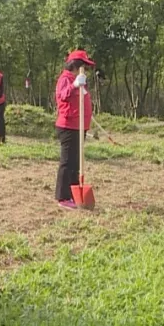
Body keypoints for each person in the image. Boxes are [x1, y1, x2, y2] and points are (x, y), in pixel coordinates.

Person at [55, 50, 94, 210]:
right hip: (68, 126)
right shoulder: (65, 79)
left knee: (76, 163)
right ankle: (62, 196)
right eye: (83, 66)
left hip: (80, 126)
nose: (84, 70)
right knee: (67, 162)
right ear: (76, 66)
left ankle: (73, 193)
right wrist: (74, 85)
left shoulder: (79, 80)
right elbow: (62, 95)